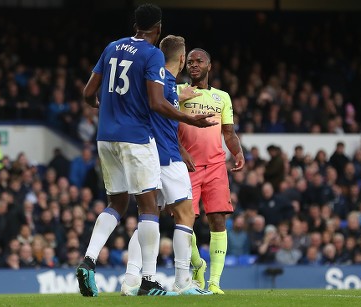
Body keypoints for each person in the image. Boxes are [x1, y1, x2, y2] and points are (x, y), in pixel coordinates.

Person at [76, 4, 215, 298]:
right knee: (149, 207)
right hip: (136, 138)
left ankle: (88, 261)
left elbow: (89, 93)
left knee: (116, 203)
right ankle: (149, 280)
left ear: (135, 23)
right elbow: (156, 103)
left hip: (105, 137)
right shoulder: (152, 54)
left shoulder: (112, 47)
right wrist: (190, 118)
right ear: (159, 27)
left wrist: (105, 110)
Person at [120, 35, 212, 296]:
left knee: (147, 219)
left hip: (148, 159)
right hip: (168, 160)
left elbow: (160, 120)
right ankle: (183, 280)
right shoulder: (167, 85)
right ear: (182, 59)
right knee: (186, 215)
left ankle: (130, 280)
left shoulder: (151, 84)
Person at [178, 48, 245, 294]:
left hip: (216, 166)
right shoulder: (177, 92)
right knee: (184, 222)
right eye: (191, 62)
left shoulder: (222, 97)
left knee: (218, 220)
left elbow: (228, 132)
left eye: (199, 61)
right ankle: (198, 264)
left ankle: (215, 282)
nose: (194, 65)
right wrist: (180, 150)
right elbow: (166, 125)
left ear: (209, 66)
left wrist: (237, 152)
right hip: (188, 167)